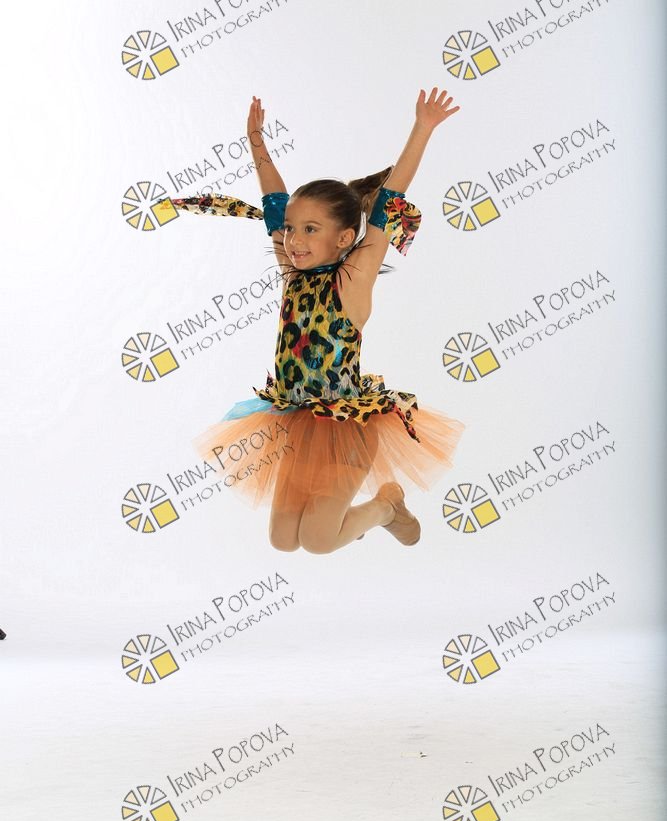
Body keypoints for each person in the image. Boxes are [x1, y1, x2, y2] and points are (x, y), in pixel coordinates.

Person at [164, 88, 466, 554]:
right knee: (283, 540)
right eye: (291, 229)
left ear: (344, 238)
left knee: (318, 540)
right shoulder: (292, 272)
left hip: (347, 426)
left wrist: (422, 128)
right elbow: (273, 200)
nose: (293, 239)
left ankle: (386, 507)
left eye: (310, 229)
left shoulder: (352, 279)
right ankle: (365, 514)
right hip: (297, 420)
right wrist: (256, 142)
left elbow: (389, 201)